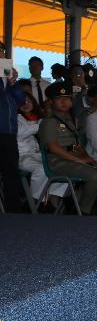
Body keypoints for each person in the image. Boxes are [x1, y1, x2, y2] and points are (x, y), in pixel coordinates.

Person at [38, 82, 97, 215]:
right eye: (59, 99)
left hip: (72, 159)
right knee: (96, 177)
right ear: (51, 102)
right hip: (58, 161)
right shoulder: (49, 121)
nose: (64, 102)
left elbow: (74, 144)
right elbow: (54, 148)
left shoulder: (68, 120)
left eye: (68, 99)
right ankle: (81, 210)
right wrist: (78, 160)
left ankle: (75, 199)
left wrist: (86, 157)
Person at [17, 93, 68, 208]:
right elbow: (21, 132)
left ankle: (51, 196)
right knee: (42, 169)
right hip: (22, 156)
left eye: (29, 101)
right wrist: (42, 123)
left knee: (63, 164)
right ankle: (34, 201)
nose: (26, 104)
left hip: (38, 154)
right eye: (22, 102)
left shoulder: (39, 117)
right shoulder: (15, 117)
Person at [1, 64, 25, 212]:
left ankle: (13, 210)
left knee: (11, 171)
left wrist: (13, 83)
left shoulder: (8, 82)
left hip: (9, 133)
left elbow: (21, 101)